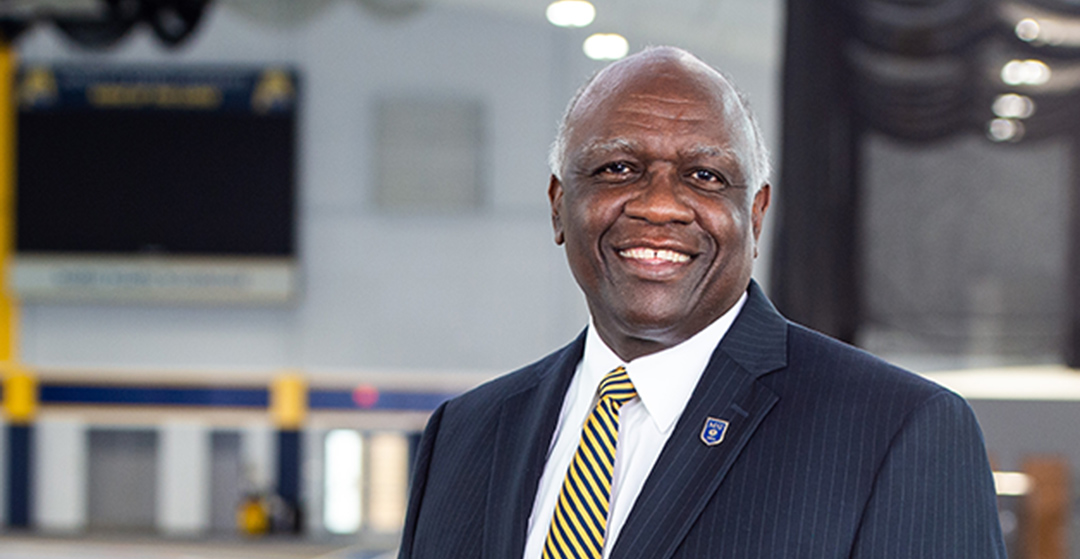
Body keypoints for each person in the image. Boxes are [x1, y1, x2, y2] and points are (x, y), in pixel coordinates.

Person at [397, 46, 1006, 559]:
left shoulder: (898, 431)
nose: (658, 206)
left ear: (757, 214)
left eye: (705, 176)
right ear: (559, 205)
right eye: (617, 168)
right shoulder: (465, 433)